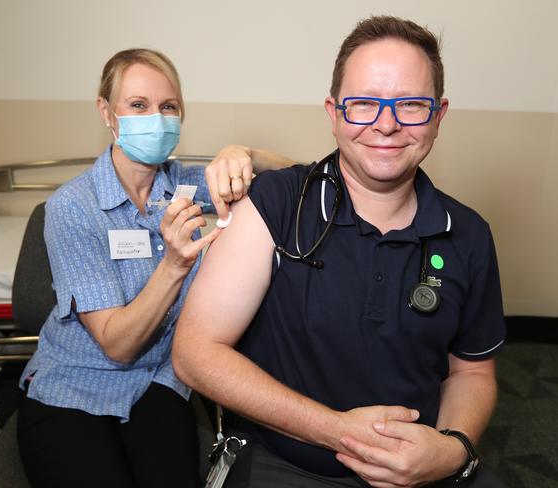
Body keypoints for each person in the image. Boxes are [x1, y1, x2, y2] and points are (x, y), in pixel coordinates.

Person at [172, 16, 506, 488]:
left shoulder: (467, 235)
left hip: (419, 469)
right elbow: (195, 352)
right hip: (285, 463)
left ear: (438, 114)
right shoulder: (277, 205)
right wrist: (336, 432)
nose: (386, 125)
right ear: (333, 112)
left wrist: (452, 447)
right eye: (364, 104)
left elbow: (472, 371)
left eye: (410, 104)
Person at [16, 48, 293, 488]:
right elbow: (117, 346)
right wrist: (175, 263)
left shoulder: (187, 183)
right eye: (138, 106)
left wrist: (243, 152)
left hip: (160, 383)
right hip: (74, 387)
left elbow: (299, 176)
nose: (156, 118)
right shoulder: (73, 207)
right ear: (107, 112)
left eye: (168, 107)